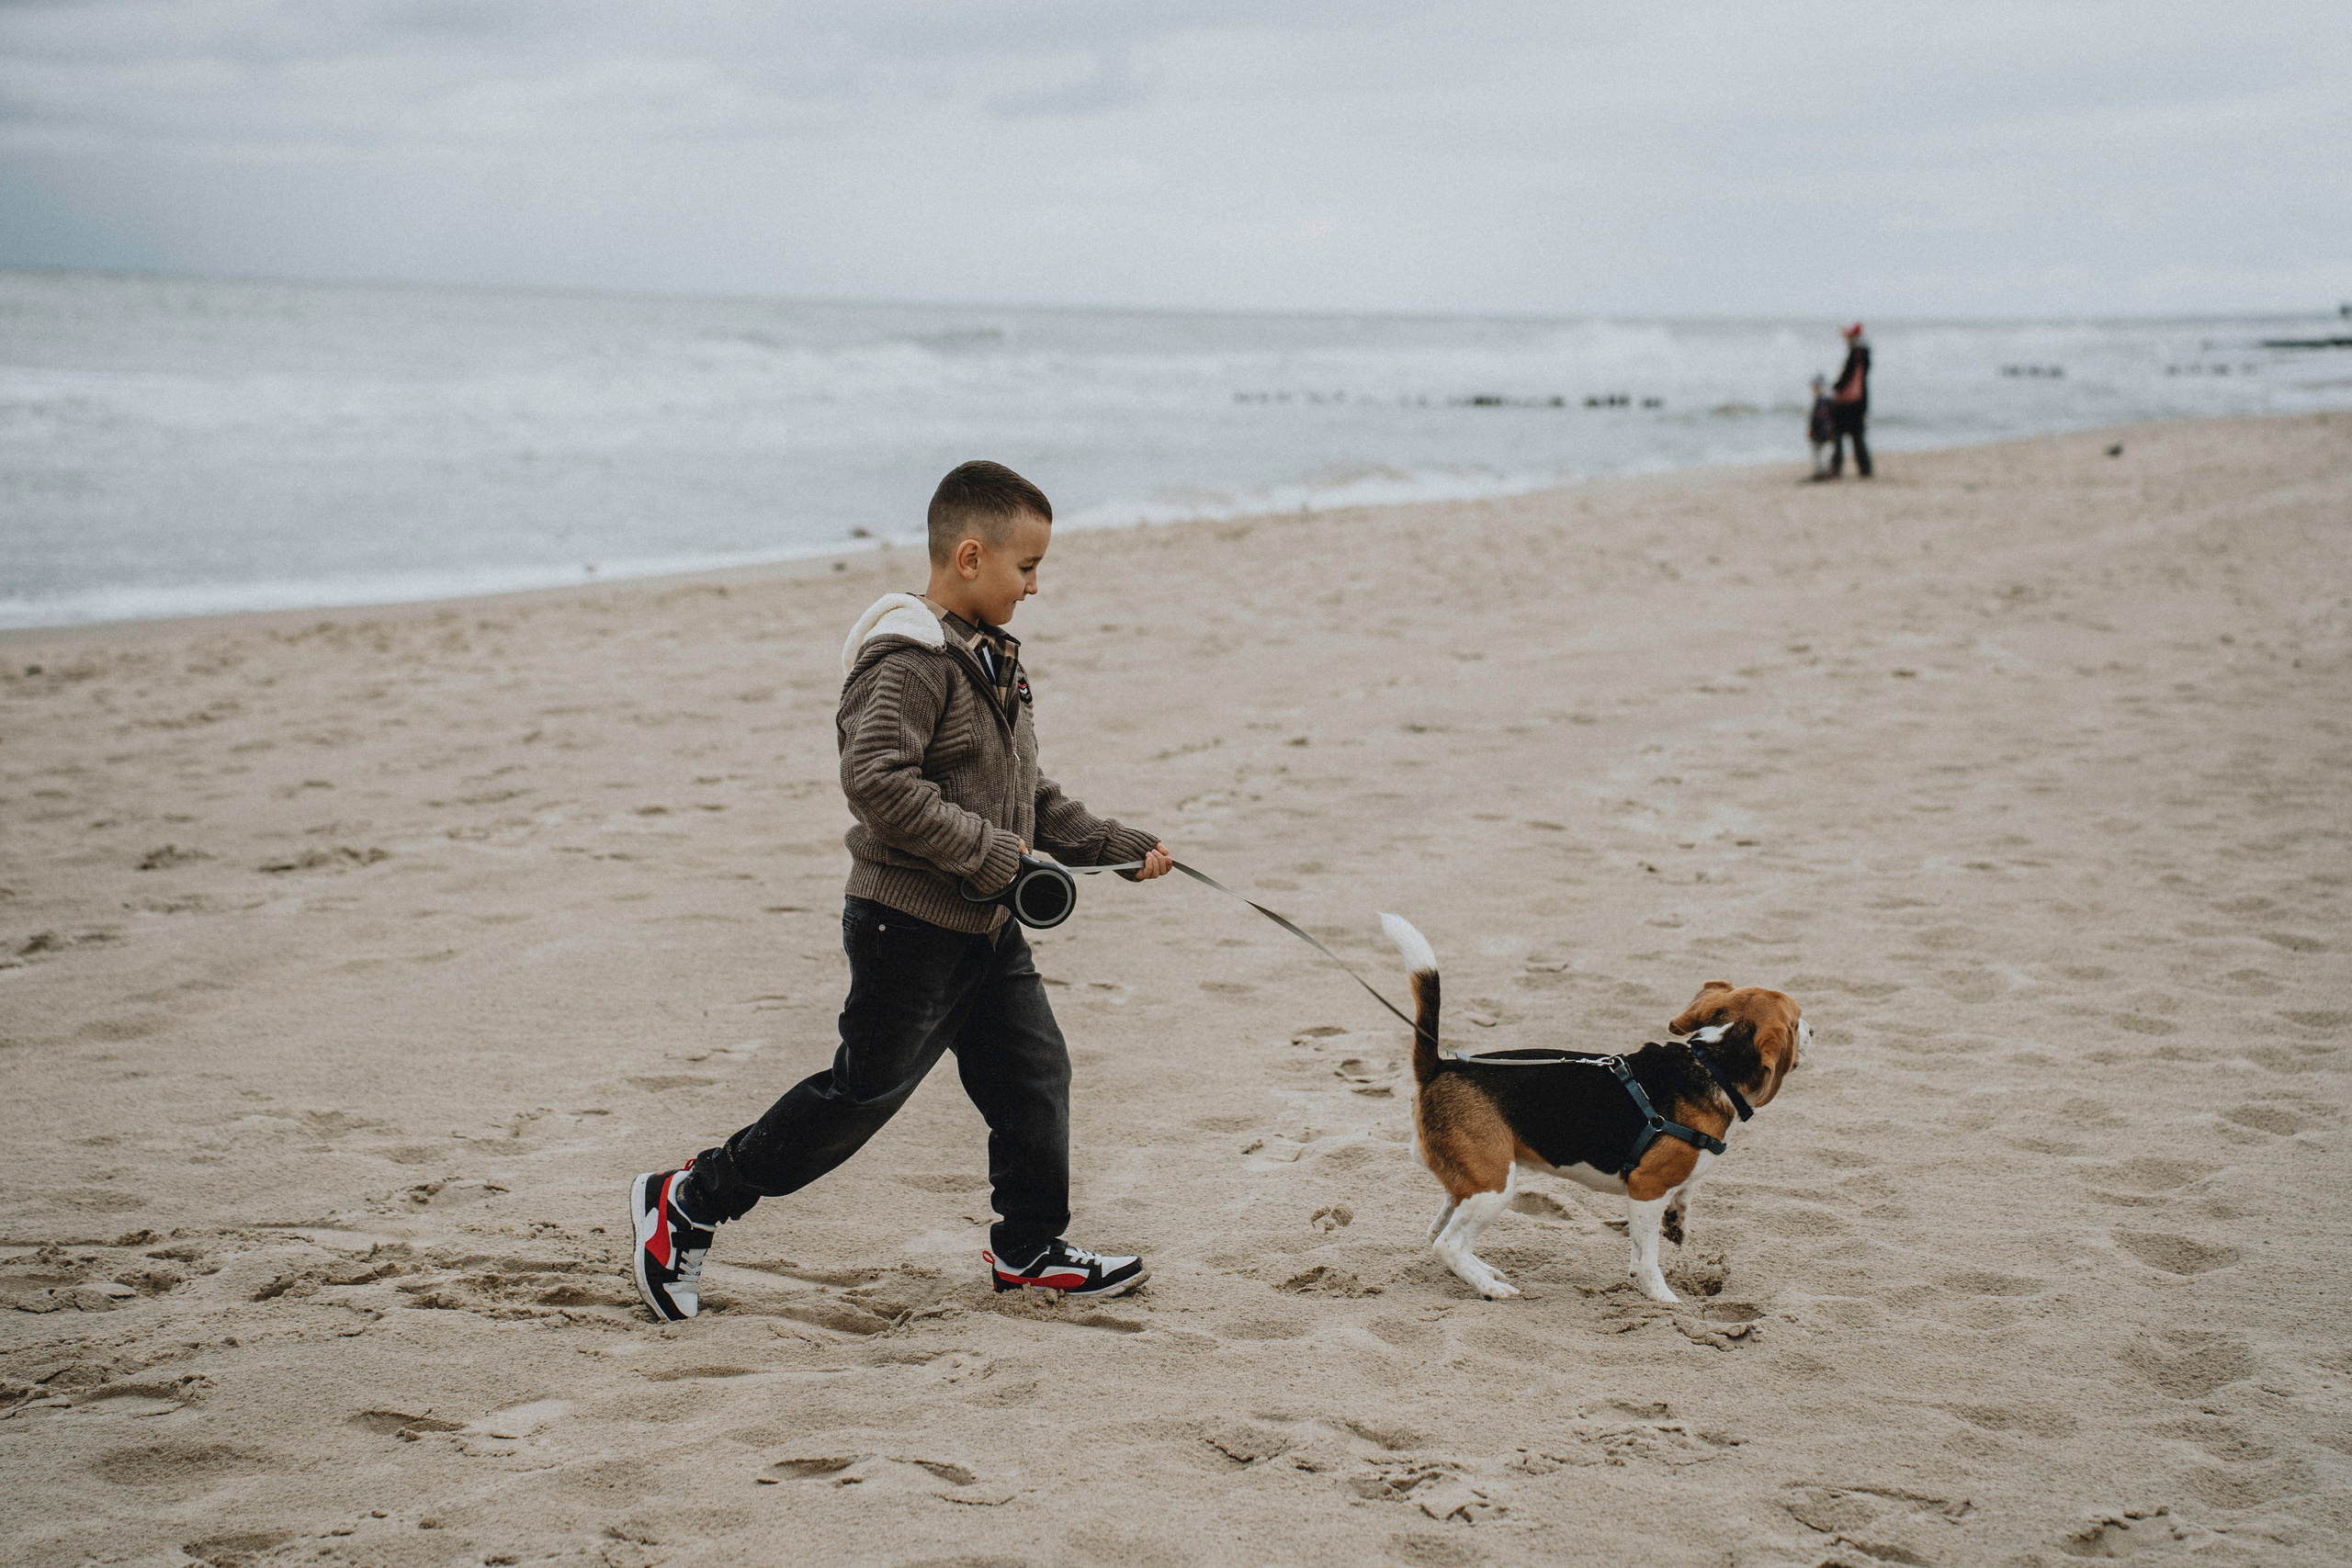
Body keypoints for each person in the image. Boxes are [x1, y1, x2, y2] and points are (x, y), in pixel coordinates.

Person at [628, 460, 1175, 1320]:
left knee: (1035, 1077)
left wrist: (1113, 846)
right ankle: (690, 1199)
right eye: (1026, 568)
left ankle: (1028, 1248)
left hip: (986, 928)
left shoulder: (992, 658)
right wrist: (998, 858)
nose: (1036, 587)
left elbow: (1023, 795)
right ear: (969, 557)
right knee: (860, 1095)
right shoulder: (911, 659)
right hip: (907, 925)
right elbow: (876, 781)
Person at [1822, 321, 1872, 479]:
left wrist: (1834, 388)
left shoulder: (1855, 354)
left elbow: (1846, 378)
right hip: (1858, 402)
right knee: (1857, 437)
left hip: (1846, 403)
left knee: (1838, 435)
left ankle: (1837, 467)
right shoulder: (1863, 355)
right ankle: (1865, 468)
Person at [1806, 374, 1835, 478]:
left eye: (1816, 386)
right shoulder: (1817, 400)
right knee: (1817, 453)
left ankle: (1825, 472)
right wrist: (1810, 429)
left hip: (1826, 432)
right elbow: (1813, 418)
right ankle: (1820, 472)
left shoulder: (1827, 400)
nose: (1814, 388)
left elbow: (1832, 417)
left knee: (1825, 453)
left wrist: (1832, 430)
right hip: (1818, 431)